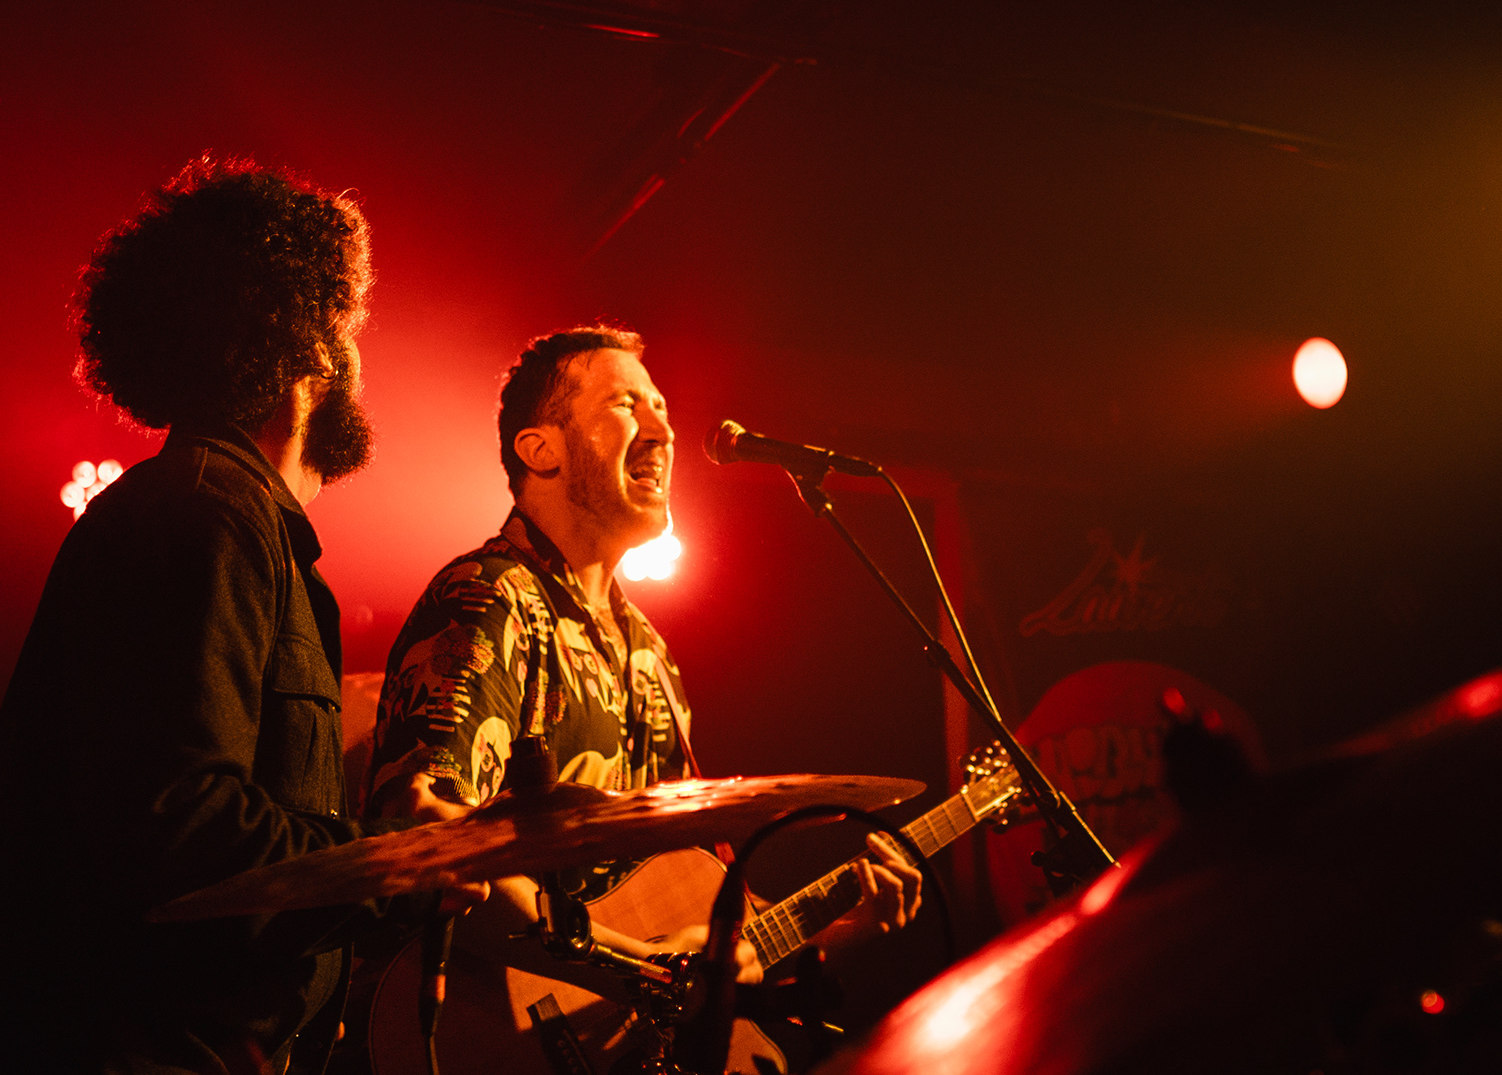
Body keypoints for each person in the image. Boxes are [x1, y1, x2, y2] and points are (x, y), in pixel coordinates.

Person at [0, 158, 454, 1075]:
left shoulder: (222, 516)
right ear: (309, 345)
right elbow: (183, 828)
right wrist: (401, 860)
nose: (356, 357)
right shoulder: (207, 516)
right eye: (348, 328)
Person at [363, 326, 922, 1003]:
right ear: (541, 450)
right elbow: (426, 832)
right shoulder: (488, 597)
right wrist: (641, 972)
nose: (663, 429)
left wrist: (841, 930)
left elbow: (689, 912)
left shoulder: (649, 654)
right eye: (626, 405)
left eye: (660, 407)